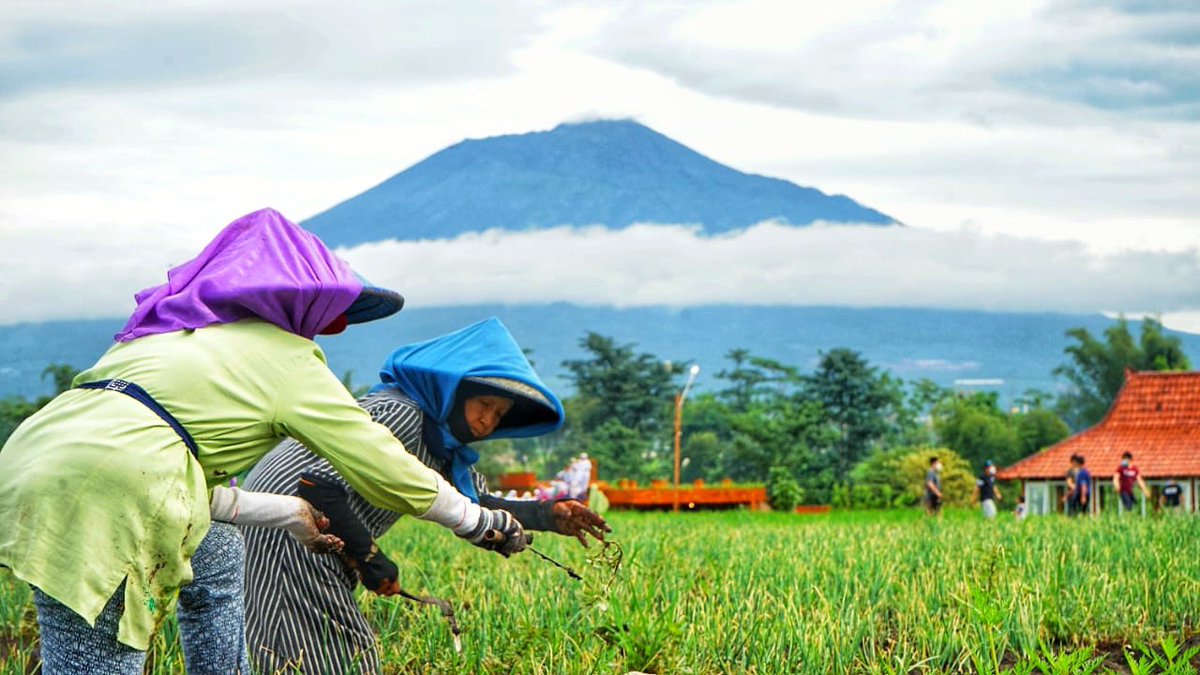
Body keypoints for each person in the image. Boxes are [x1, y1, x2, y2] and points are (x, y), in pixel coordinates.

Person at [0, 209, 527, 674]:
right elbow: (382, 462)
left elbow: (166, 483)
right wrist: (475, 520)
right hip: (105, 493)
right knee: (96, 659)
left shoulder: (168, 338)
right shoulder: (287, 360)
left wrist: (288, 513)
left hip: (32, 460)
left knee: (219, 549)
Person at [241, 318, 610, 674]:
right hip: (289, 527)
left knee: (291, 649)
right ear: (454, 392)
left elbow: (473, 504)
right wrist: (370, 558)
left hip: (306, 531)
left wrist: (549, 514)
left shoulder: (440, 446)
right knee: (341, 655)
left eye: (499, 414)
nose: (487, 421)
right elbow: (315, 485)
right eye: (483, 404)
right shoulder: (402, 414)